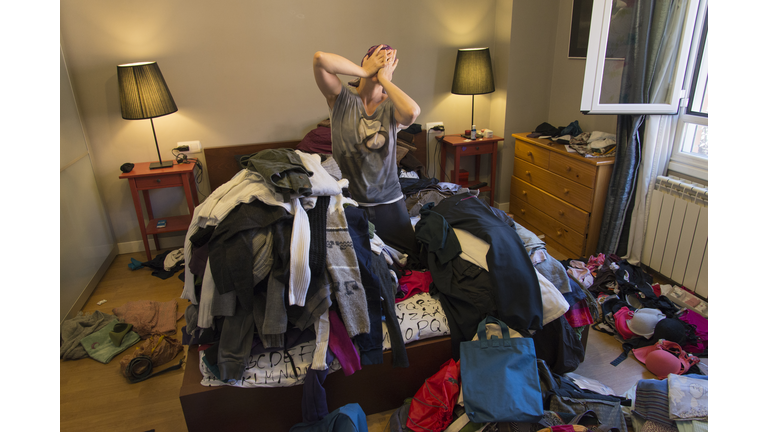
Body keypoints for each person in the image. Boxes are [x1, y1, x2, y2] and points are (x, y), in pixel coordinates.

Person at [313, 44, 424, 266]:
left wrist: (386, 80)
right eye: (377, 58)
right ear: (365, 60)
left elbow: (412, 112)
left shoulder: (392, 108)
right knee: (360, 265)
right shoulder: (341, 99)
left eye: (388, 61)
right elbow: (320, 59)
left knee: (413, 263)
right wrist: (365, 71)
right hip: (351, 204)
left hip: (389, 203)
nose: (381, 64)